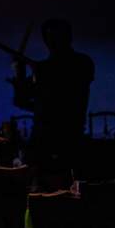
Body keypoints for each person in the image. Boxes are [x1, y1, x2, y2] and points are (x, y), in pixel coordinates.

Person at [10, 18, 94, 167]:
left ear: (68, 37)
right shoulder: (43, 69)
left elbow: (62, 97)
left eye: (56, 36)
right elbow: (22, 100)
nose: (53, 41)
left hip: (68, 140)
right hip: (42, 141)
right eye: (49, 38)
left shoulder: (82, 63)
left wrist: (29, 75)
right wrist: (20, 73)